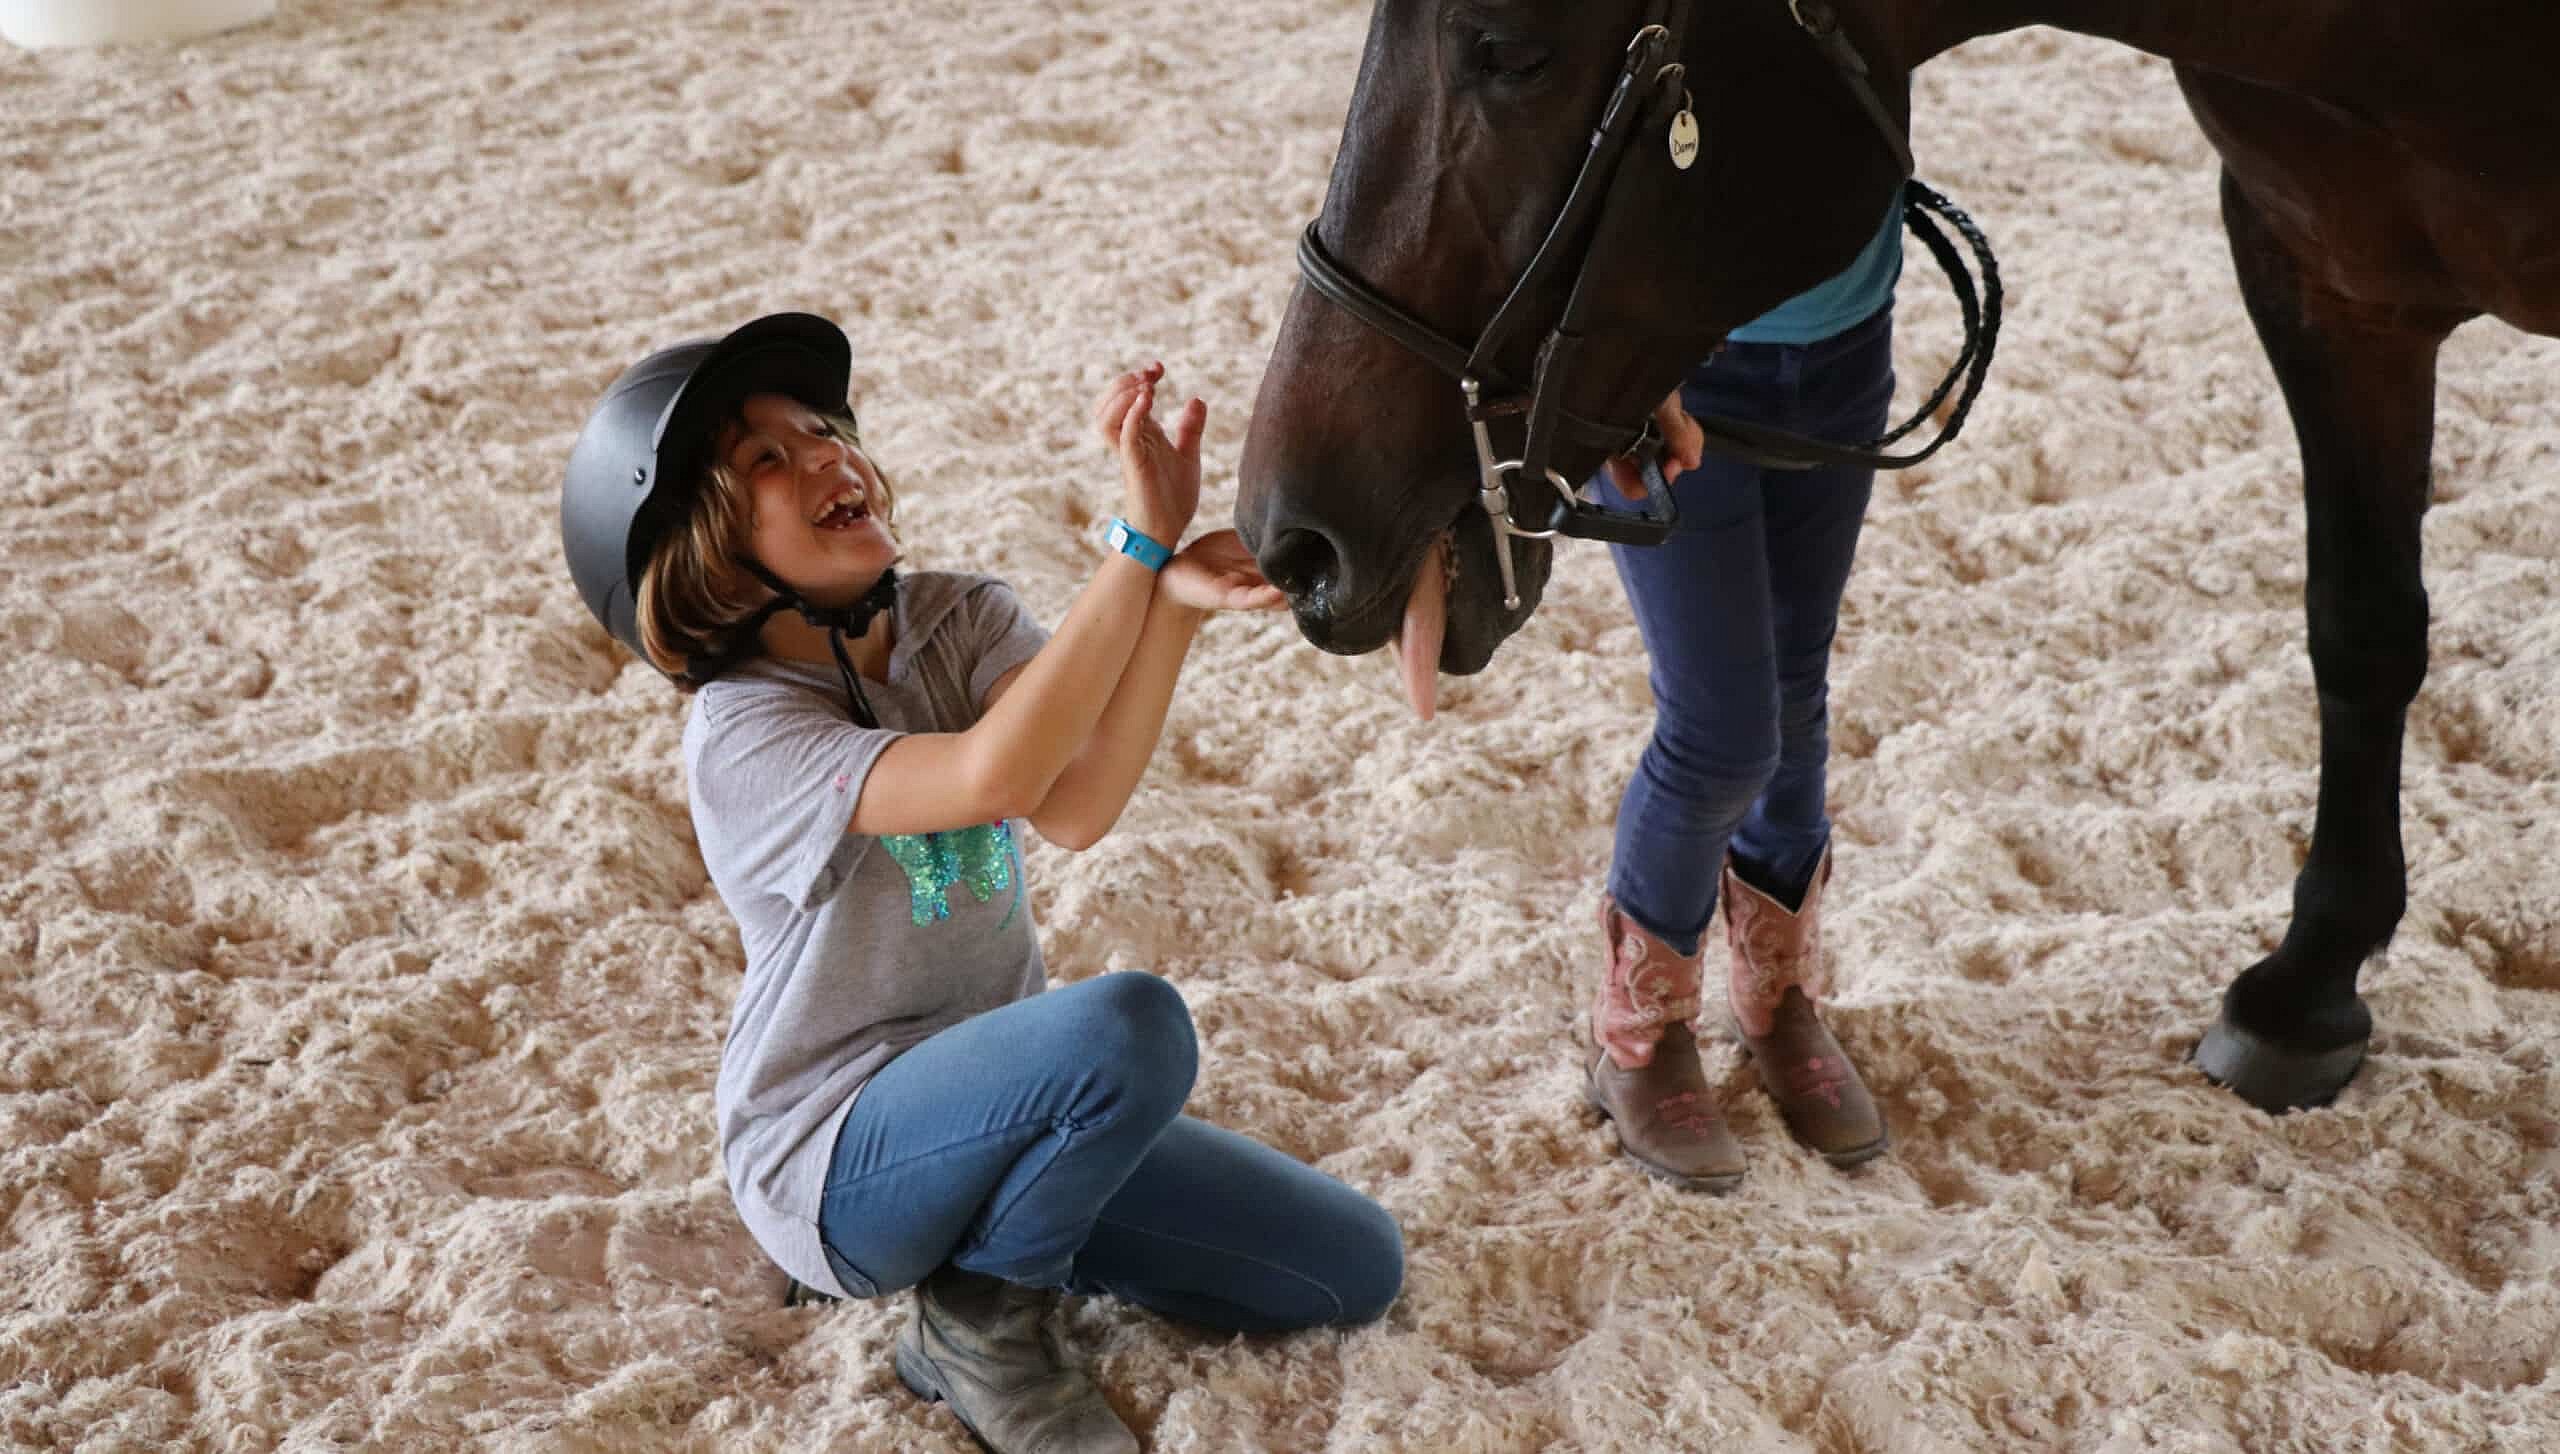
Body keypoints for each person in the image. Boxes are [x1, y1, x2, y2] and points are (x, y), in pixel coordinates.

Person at [560, 314, 1403, 1454]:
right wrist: (1135, 549)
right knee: (1130, 1026)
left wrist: (1167, 607)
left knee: (1350, 1267)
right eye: (766, 458)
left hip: (1021, 1114)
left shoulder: (959, 616)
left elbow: (1075, 802)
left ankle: (1008, 1233)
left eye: (823, 431)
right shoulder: (742, 732)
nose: (826, 455)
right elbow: (992, 774)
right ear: (701, 549)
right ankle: (978, 1323)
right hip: (834, 1158)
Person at [1582, 193, 1904, 1191]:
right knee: (1718, 730)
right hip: (1665, 361)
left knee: (1796, 686)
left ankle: (1777, 995)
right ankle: (1639, 1036)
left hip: (1844, 346)